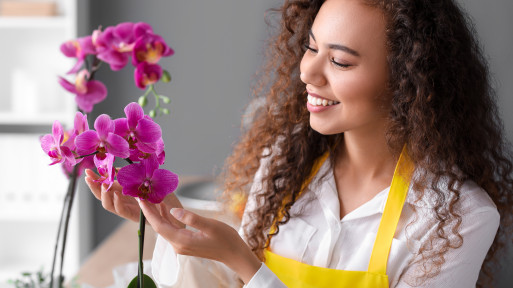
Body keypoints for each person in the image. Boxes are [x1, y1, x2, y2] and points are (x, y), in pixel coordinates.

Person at [85, 0, 513, 287]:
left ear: (409, 80)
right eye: (310, 47)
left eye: (340, 61)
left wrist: (245, 263)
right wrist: (172, 223)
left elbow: (244, 273)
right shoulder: (284, 166)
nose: (308, 71)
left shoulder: (458, 216)